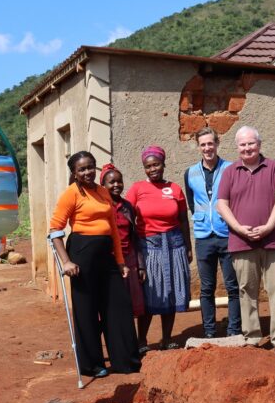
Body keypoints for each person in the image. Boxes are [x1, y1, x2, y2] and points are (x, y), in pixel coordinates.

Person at [49, 151, 141, 377]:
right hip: (81, 254)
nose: (88, 172)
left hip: (106, 254)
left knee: (118, 306)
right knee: (87, 310)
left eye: (91, 167)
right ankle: (93, 365)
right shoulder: (71, 194)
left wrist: (120, 262)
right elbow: (55, 230)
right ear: (75, 173)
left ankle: (125, 360)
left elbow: (113, 231)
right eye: (82, 169)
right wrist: (66, 261)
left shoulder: (103, 192)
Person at [215, 126, 275, 354]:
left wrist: (268, 227)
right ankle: (252, 335)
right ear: (237, 147)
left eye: (251, 143)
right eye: (242, 144)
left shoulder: (274, 168)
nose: (247, 148)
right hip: (242, 242)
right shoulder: (229, 172)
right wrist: (239, 228)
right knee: (247, 290)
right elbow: (221, 204)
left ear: (259, 144)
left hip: (274, 240)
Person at [126, 146, 192, 351]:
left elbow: (183, 220)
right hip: (148, 246)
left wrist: (188, 246)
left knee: (171, 291)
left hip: (174, 245)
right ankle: (142, 341)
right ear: (144, 168)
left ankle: (166, 339)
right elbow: (127, 218)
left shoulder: (174, 189)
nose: (153, 169)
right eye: (148, 166)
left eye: (156, 164)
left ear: (163, 164)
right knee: (150, 292)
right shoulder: (137, 189)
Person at [183, 127, 241, 339]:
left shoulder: (231, 168)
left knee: (232, 286)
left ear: (217, 144)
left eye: (210, 143)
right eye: (203, 144)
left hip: (227, 234)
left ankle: (234, 329)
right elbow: (192, 203)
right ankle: (209, 331)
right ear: (198, 147)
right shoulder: (190, 173)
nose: (207, 148)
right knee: (206, 288)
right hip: (203, 237)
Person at [100, 164, 147, 329]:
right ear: (103, 185)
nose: (116, 185)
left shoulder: (128, 207)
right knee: (110, 305)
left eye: (119, 182)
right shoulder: (101, 206)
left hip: (129, 259)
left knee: (132, 304)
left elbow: (134, 236)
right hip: (109, 261)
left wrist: (140, 265)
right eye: (111, 182)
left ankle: (135, 343)